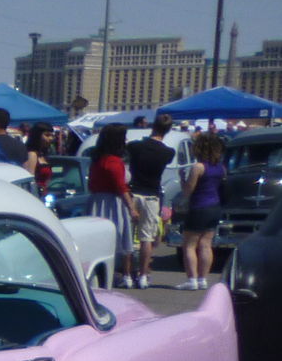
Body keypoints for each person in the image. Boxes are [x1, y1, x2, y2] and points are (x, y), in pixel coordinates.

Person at [84, 123, 143, 287]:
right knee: (123, 237)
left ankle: (110, 273)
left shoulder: (97, 160)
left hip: (98, 201)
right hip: (113, 202)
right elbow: (121, 187)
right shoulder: (113, 162)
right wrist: (132, 208)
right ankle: (126, 275)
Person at [125, 117, 176, 289]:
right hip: (152, 195)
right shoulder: (168, 152)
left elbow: (128, 150)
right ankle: (143, 275)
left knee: (129, 237)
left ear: (153, 127)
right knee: (147, 238)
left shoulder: (135, 147)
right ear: (168, 130)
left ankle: (127, 274)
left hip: (133, 192)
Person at [176, 131, 226, 289]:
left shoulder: (198, 167)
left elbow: (187, 191)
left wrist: (183, 179)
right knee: (206, 244)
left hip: (199, 207)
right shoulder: (220, 167)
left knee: (189, 245)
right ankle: (202, 279)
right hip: (214, 206)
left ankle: (192, 280)